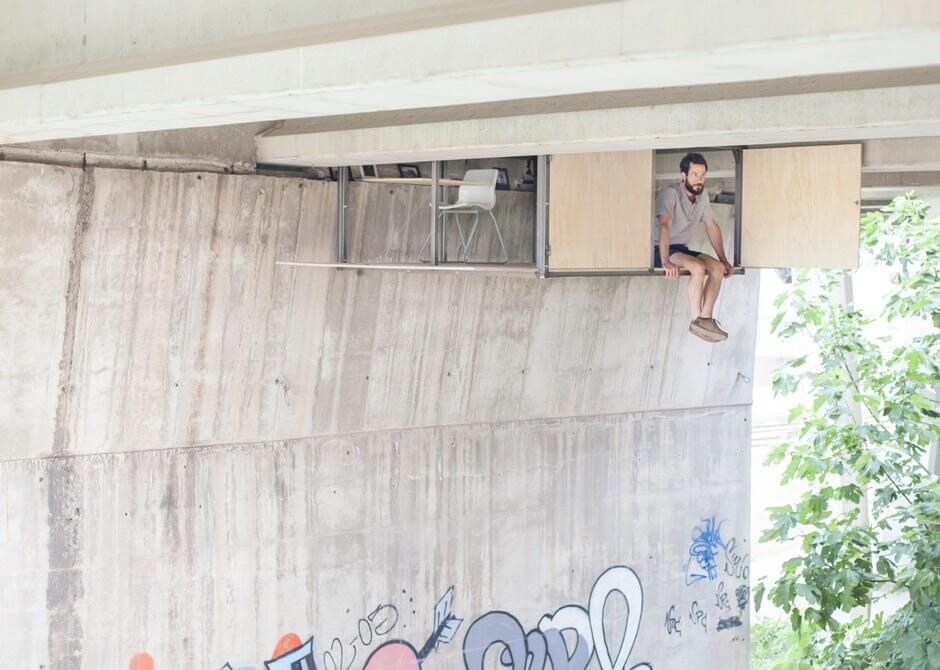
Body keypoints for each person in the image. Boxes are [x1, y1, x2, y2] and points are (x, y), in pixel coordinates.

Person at [653, 152, 733, 342]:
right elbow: (664, 227)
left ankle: (705, 318)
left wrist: (723, 259)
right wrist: (665, 261)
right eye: (695, 174)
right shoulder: (670, 194)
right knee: (697, 268)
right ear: (683, 176)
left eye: (702, 175)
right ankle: (696, 319)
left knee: (718, 269)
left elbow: (712, 226)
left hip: (681, 249)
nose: (699, 179)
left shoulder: (702, 196)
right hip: (661, 249)